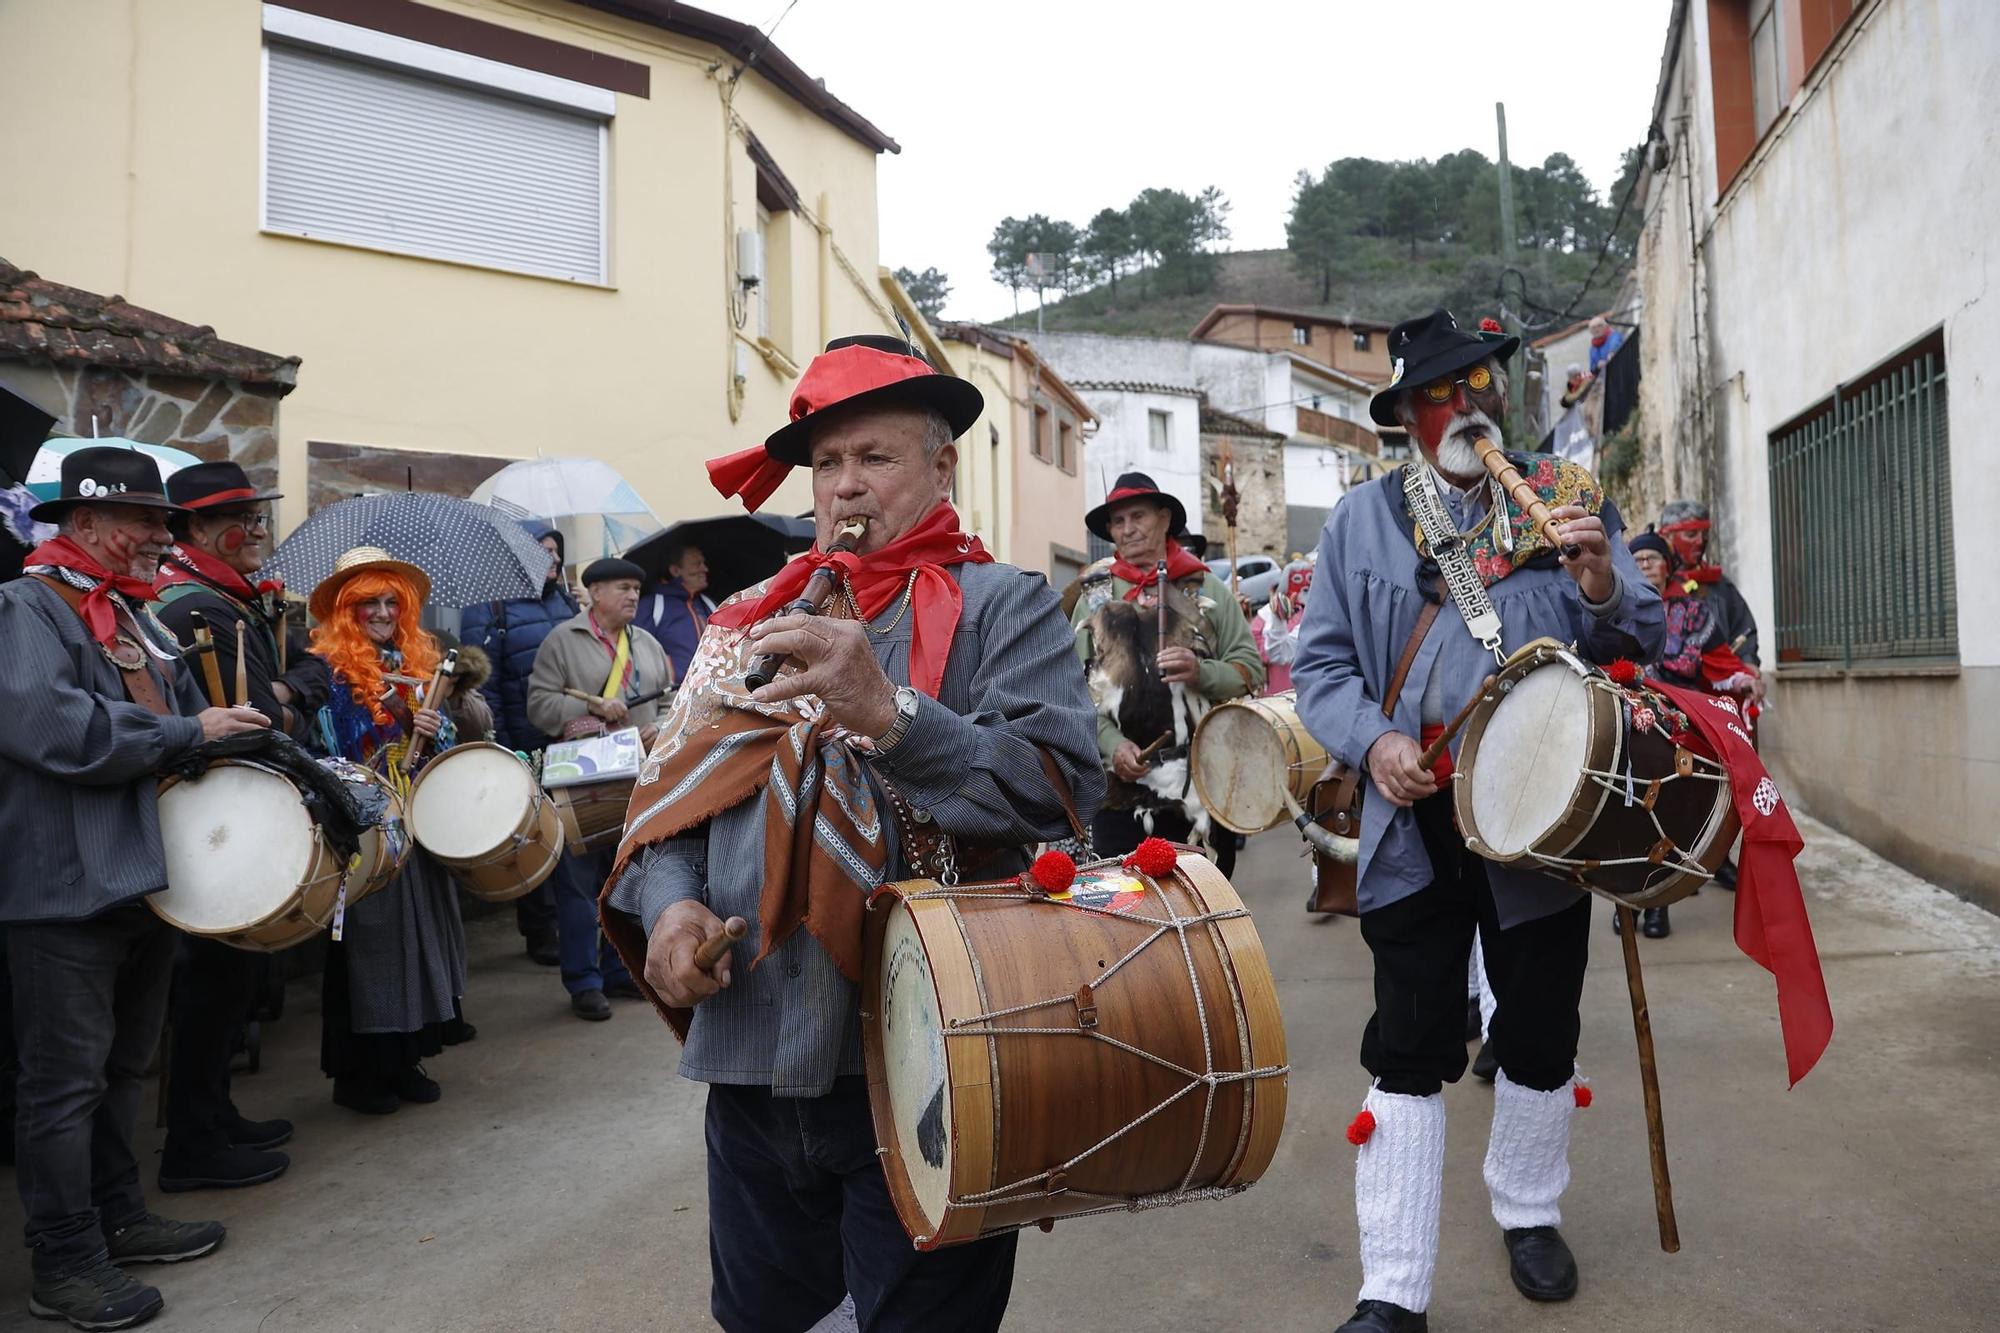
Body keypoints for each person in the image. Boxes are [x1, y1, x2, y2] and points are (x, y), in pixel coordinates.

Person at [601, 334, 1102, 1333]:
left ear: (941, 465)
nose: (844, 485)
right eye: (826, 463)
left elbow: (1050, 796)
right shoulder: (747, 623)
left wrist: (889, 713)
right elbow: (669, 808)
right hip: (747, 1059)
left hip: (930, 1052)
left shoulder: (1007, 606)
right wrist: (668, 910)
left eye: (872, 457)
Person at [1292, 310, 1663, 1333]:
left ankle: (1529, 1209)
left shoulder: (1569, 495)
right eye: (1439, 394)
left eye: (1477, 386)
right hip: (1412, 827)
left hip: (1543, 828)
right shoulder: (1359, 523)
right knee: (1406, 1042)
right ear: (1407, 417)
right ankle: (1392, 1284)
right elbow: (1319, 666)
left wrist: (1596, 578)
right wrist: (1373, 743)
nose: (1464, 407)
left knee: (1540, 1029)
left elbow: (1643, 630)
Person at [0, 446, 270, 1331]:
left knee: (121, 1066)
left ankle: (120, 1213)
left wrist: (216, 729)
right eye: (144, 521)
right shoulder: (23, 607)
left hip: (141, 879)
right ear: (82, 524)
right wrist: (188, 729)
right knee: (62, 1084)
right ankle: (65, 1259)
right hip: (61, 886)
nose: (162, 535)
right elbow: (54, 726)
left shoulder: (137, 617)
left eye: (163, 520)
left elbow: (185, 714)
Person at [149, 461, 332, 1193]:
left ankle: (216, 1114)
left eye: (260, 519)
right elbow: (262, 719)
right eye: (244, 520)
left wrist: (292, 688)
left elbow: (286, 691)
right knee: (212, 984)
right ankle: (193, 1143)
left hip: (232, 804)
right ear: (196, 530)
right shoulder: (200, 608)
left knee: (232, 982)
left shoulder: (236, 600)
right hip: (216, 814)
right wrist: (300, 688)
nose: (259, 532)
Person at [307, 547, 473, 1115]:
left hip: (416, 824)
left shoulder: (414, 663)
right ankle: (361, 1076)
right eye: (367, 603)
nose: (380, 612)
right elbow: (322, 753)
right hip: (363, 831)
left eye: (389, 602)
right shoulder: (327, 672)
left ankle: (406, 1058)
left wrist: (433, 726)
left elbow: (441, 746)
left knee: (417, 938)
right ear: (345, 612)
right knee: (371, 946)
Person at [1071, 473, 1262, 872]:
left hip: (1201, 786)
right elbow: (1074, 692)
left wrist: (1201, 672)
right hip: (1118, 793)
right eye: (1118, 522)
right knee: (1129, 912)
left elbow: (1249, 670)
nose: (1128, 529)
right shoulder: (1094, 598)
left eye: (1137, 516)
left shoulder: (1206, 589)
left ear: (1163, 518)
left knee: (1201, 909)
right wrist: (1112, 745)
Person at [525, 556, 670, 1021]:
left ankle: (619, 971)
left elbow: (670, 701)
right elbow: (539, 704)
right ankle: (583, 981)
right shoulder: (561, 641)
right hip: (581, 781)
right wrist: (589, 715)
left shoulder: (645, 643)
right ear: (595, 593)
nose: (633, 596)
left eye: (636, 589)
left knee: (625, 880)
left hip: (636, 778)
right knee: (579, 887)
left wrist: (660, 728)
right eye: (623, 588)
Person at [458, 525, 575, 966]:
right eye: (544, 551)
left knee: (565, 830)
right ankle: (539, 927)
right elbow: (481, 688)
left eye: (557, 551)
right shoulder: (489, 607)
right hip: (519, 740)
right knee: (528, 836)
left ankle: (568, 925)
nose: (555, 559)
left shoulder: (563, 602)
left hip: (565, 738)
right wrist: (498, 745)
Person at [1657, 498, 1762, 888]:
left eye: (1703, 535)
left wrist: (1746, 667)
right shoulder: (1648, 587)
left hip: (1717, 701)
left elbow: (1744, 631)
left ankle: (1719, 855)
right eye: (1689, 535)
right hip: (1670, 702)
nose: (1698, 543)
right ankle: (1668, 864)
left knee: (1723, 781)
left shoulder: (1717, 587)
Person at [630, 540, 713, 683]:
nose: (705, 569)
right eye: (697, 564)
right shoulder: (652, 605)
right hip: (672, 695)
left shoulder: (709, 603)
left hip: (711, 691)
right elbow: (637, 650)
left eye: (703, 563)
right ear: (675, 571)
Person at [1252, 559, 1314, 695]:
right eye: (1297, 579)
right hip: (1279, 684)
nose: (1305, 586)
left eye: (1310, 579)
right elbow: (1255, 644)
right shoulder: (1267, 612)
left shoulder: (1317, 613)